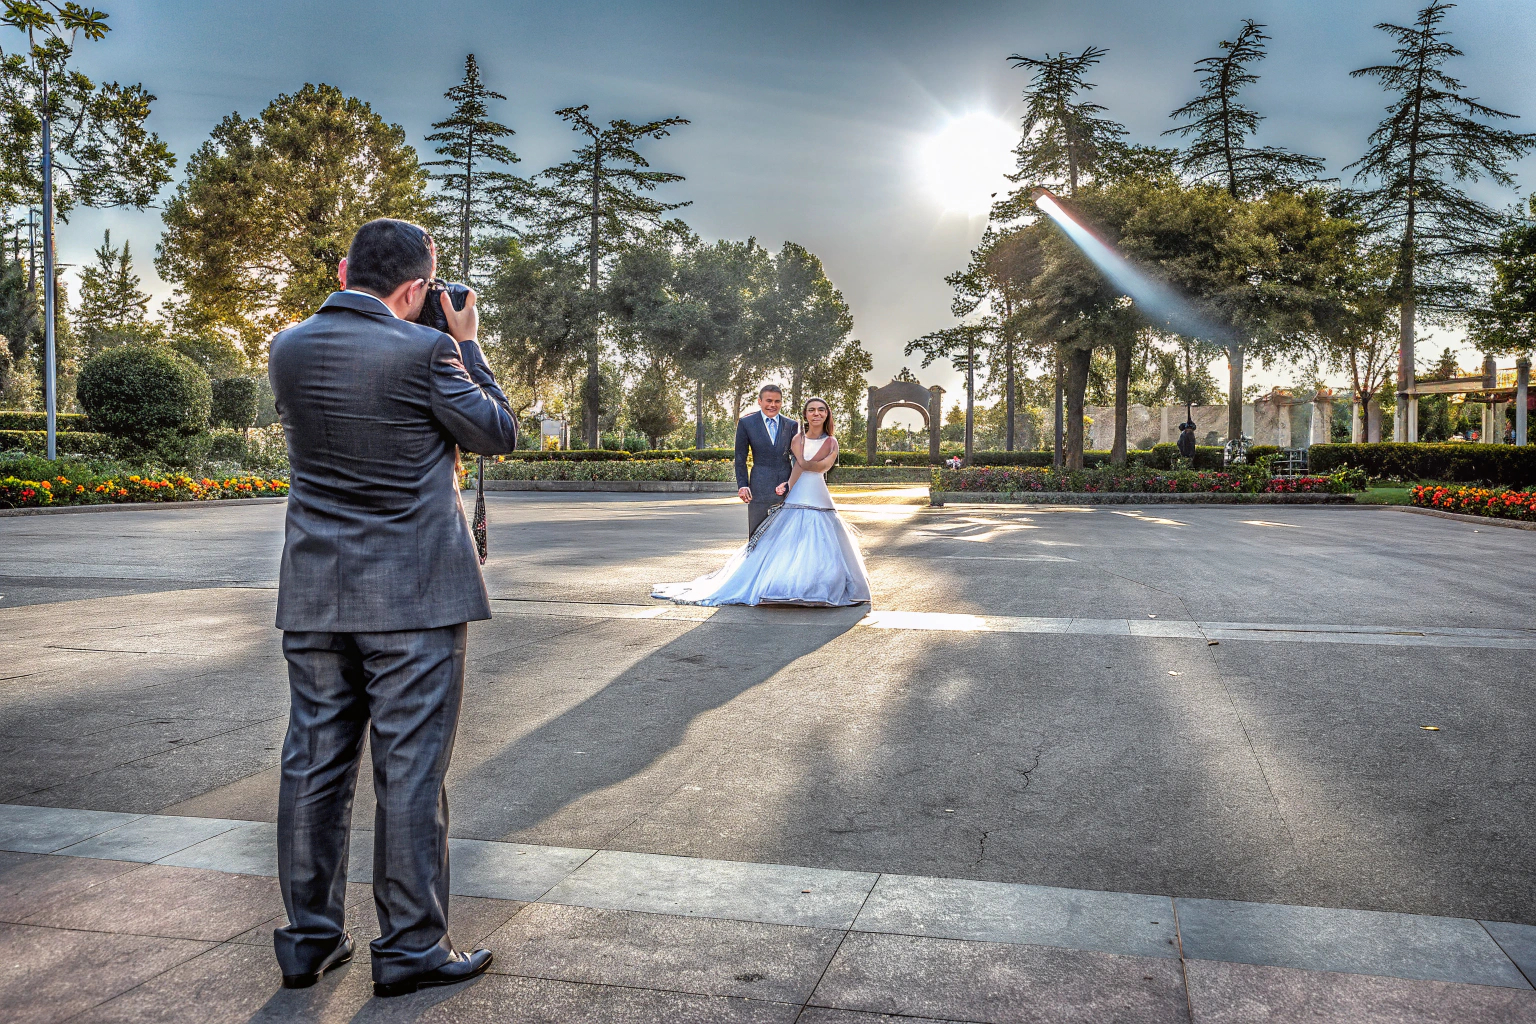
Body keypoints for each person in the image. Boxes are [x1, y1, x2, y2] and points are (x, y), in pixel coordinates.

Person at [267, 219, 518, 998]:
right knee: (408, 773)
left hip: (315, 591)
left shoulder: (288, 346)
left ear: (344, 268)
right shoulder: (427, 351)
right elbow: (496, 432)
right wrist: (467, 342)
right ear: (416, 289)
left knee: (313, 763)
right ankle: (410, 945)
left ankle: (307, 941)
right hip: (413, 597)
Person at [653, 397, 870, 606]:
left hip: (819, 495)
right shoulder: (797, 439)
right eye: (811, 410)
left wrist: (803, 461)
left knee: (825, 542)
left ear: (827, 414)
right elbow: (796, 467)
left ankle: (821, 588)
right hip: (797, 494)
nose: (816, 414)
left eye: (821, 410)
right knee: (788, 543)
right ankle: (785, 588)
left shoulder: (832, 442)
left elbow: (820, 467)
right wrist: (788, 486)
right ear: (805, 414)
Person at [733, 384, 799, 537]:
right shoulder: (746, 424)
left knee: (785, 536)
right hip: (758, 487)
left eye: (777, 401)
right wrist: (743, 485)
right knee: (758, 535)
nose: (772, 405)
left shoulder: (791, 425)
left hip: (786, 488)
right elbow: (740, 458)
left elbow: (797, 459)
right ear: (759, 401)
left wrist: (792, 484)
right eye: (768, 401)